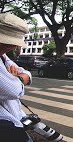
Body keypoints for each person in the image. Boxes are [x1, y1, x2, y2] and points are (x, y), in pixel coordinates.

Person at [0, 13, 33, 141]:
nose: (13, 47)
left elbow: (27, 73)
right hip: (5, 125)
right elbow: (13, 90)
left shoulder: (3, 56)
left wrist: (17, 77)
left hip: (13, 119)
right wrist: (19, 78)